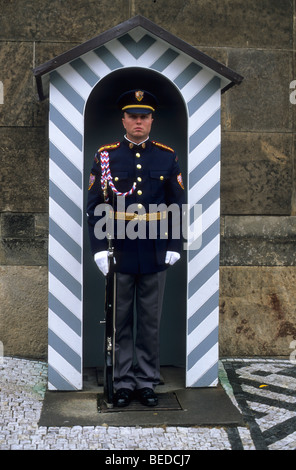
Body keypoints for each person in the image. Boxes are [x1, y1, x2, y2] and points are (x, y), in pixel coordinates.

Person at [86, 89, 185, 407]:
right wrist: (99, 248)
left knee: (150, 319)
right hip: (120, 248)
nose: (138, 121)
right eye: (133, 116)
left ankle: (146, 381)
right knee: (121, 318)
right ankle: (123, 381)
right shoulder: (106, 156)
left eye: (144, 116)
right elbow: (95, 206)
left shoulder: (167, 157)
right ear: (124, 119)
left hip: (156, 249)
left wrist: (174, 243)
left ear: (152, 120)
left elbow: (177, 205)